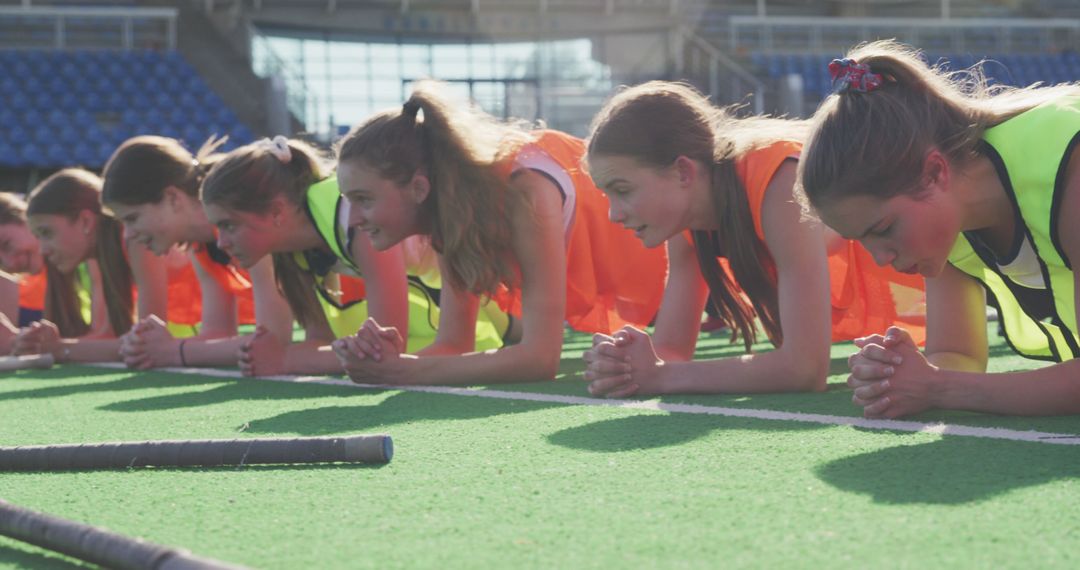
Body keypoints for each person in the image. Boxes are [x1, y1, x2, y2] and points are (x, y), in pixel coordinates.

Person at [581, 80, 924, 397]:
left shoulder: (779, 181)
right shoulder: (686, 219)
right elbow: (670, 352)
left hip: (932, 267)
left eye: (622, 190)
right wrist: (626, 365)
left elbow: (804, 369)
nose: (614, 214)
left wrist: (662, 376)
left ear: (683, 172)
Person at [798, 40, 1080, 417]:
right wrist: (902, 376)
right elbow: (958, 354)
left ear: (935, 172)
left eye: (882, 228)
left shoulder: (1070, 164)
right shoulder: (948, 217)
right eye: (861, 241)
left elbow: (948, 383)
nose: (881, 258)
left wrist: (937, 388)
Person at [328, 80, 668, 385]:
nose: (353, 219)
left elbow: (539, 358)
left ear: (418, 188)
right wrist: (388, 363)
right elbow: (454, 345)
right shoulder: (449, 210)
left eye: (363, 199)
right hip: (643, 287)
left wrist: (404, 371)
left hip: (671, 268)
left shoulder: (524, 190)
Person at [199, 136, 444, 376]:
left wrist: (285, 359)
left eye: (229, 225)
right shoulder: (295, 249)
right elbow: (319, 340)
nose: (221, 243)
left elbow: (385, 349)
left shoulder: (353, 217)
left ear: (276, 212)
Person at [101, 135, 293, 370]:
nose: (128, 235)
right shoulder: (201, 244)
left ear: (173, 198)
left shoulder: (246, 221)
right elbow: (217, 331)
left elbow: (271, 342)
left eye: (132, 218)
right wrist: (154, 347)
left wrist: (173, 350)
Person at [11, 168, 200, 363]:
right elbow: (106, 336)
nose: (42, 250)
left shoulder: (136, 241)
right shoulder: (98, 254)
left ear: (86, 221)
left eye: (47, 233)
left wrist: (59, 348)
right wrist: (42, 345)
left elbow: (144, 344)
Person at [0, 192, 48, 353]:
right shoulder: (15, 286)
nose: (9, 263)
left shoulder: (85, 258)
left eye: (7, 245)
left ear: (24, 218)